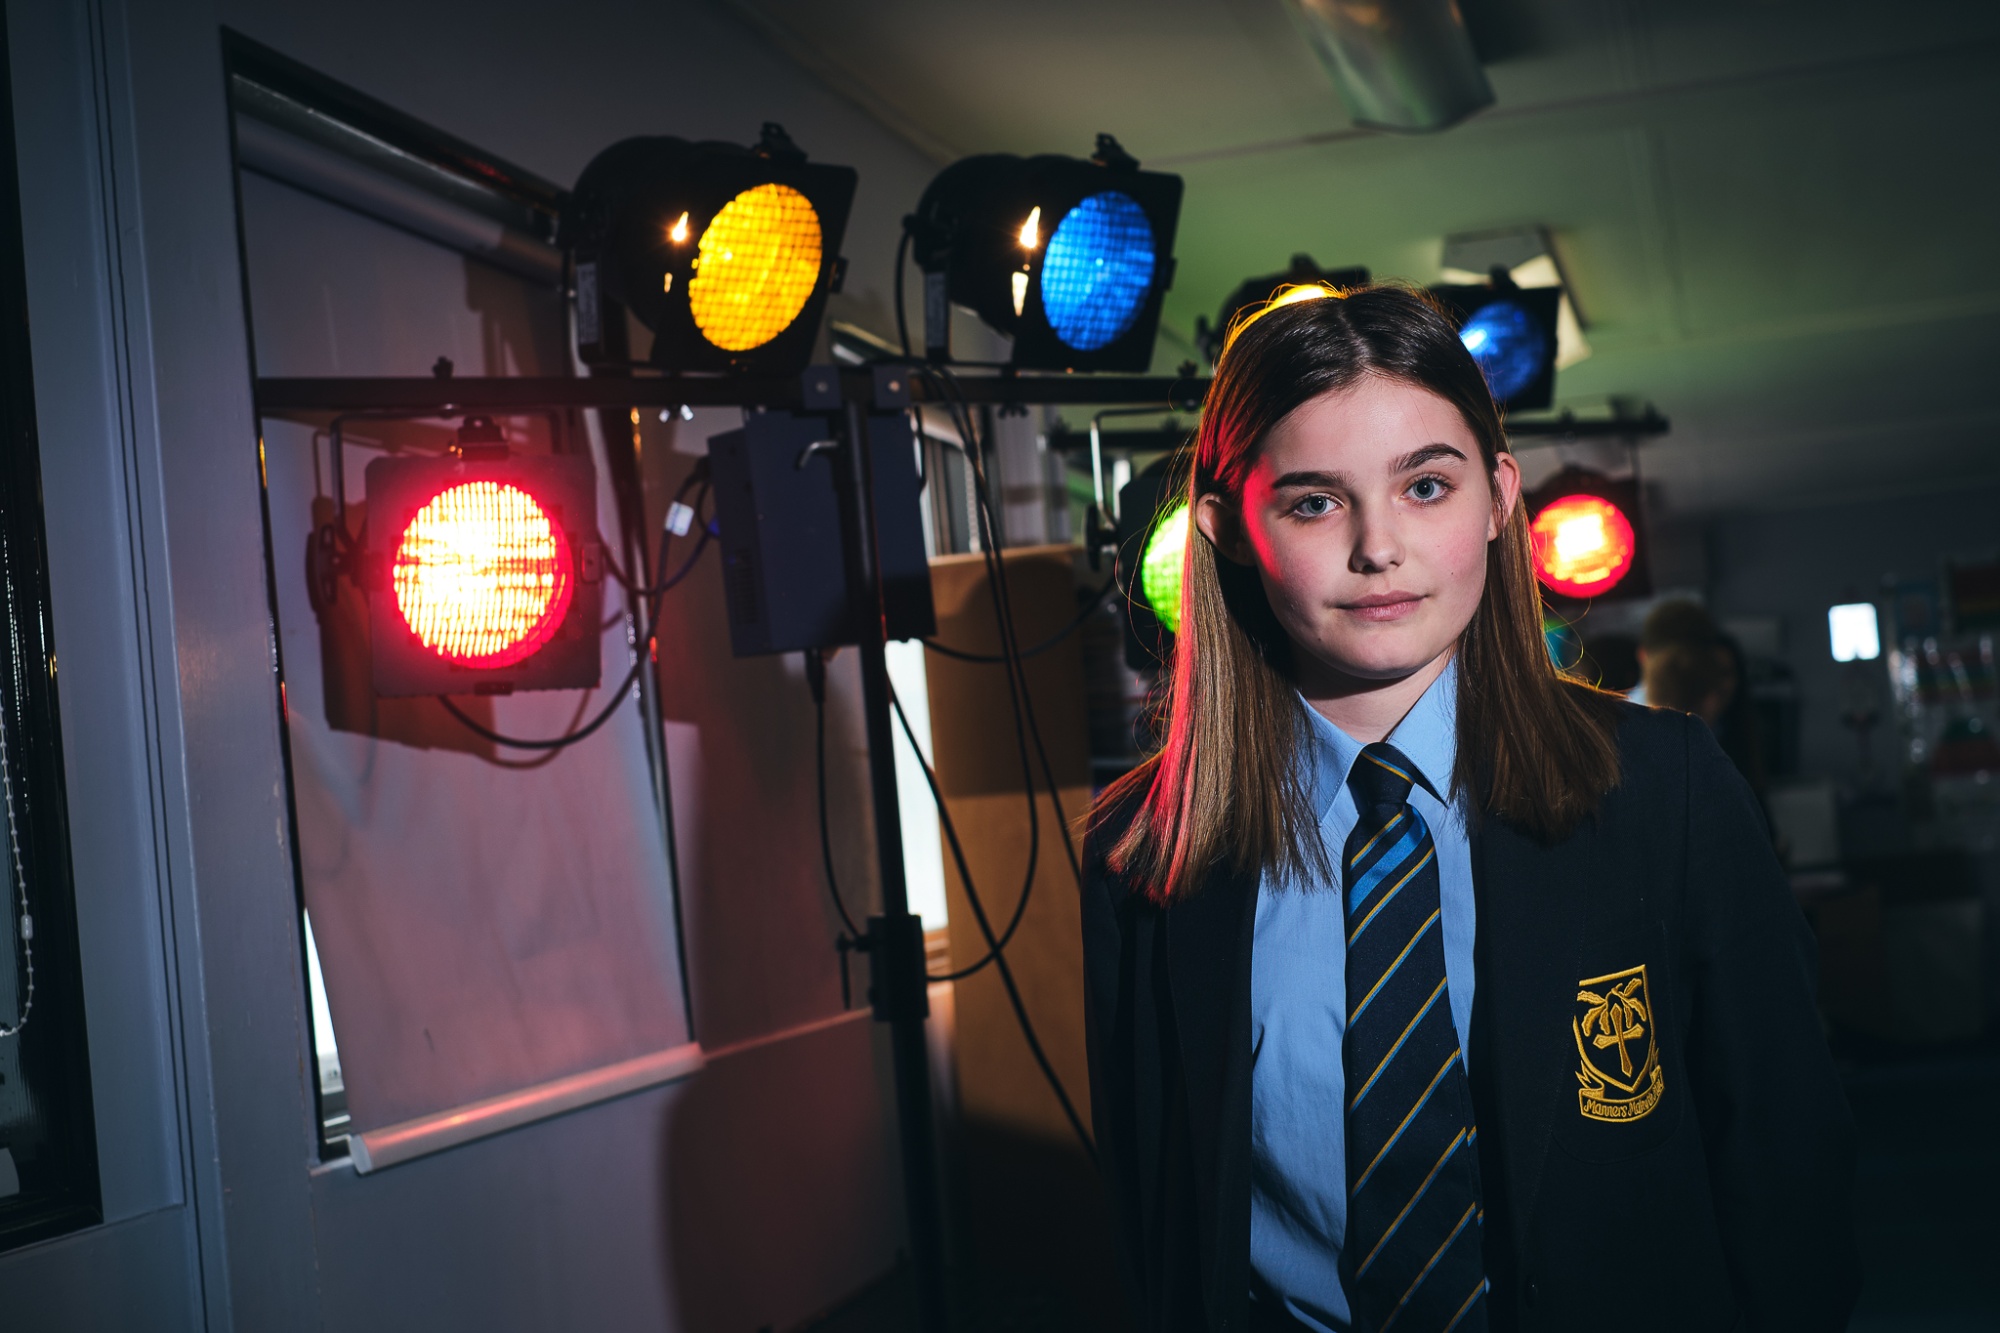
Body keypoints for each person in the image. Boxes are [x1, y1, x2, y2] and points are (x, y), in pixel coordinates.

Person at [1081, 285, 1856, 1332]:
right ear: (1222, 529)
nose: (1376, 547)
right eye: (1312, 501)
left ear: (1495, 496)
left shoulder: (1660, 789)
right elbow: (1157, 1217)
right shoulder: (1144, 848)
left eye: (1424, 486)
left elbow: (1786, 1168)